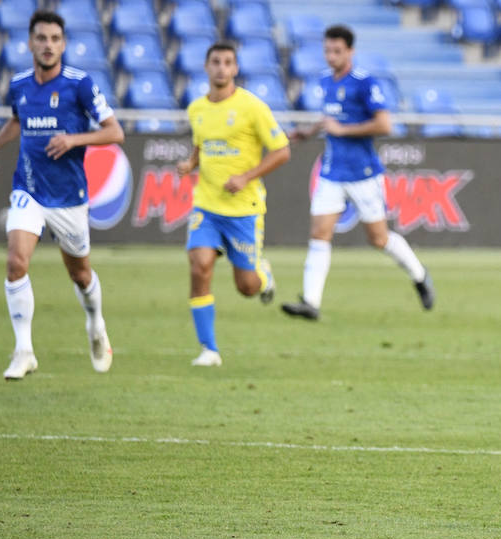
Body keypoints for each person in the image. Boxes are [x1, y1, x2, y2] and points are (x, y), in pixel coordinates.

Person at [0, 11, 124, 380]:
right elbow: (18, 119)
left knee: (80, 273)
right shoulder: (20, 84)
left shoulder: (79, 84)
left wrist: (75, 139)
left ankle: (96, 325)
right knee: (16, 262)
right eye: (41, 38)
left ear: (64, 44)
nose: (48, 45)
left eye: (55, 39)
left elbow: (115, 132)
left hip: (69, 197)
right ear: (30, 43)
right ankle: (23, 350)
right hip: (28, 189)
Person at [280, 24, 433, 321]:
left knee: (378, 239)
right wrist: (308, 132)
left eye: (337, 51)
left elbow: (384, 125)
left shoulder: (365, 83)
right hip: (331, 171)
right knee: (319, 234)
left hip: (363, 173)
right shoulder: (325, 81)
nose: (331, 56)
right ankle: (311, 302)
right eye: (327, 50)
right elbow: (330, 120)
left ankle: (419, 274)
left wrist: (344, 130)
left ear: (350, 51)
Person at [176, 42, 290, 366]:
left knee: (247, 286)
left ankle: (264, 276)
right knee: (199, 267)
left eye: (228, 62)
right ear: (206, 66)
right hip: (207, 206)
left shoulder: (252, 107)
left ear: (236, 68)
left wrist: (246, 176)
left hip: (243, 210)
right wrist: (191, 163)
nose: (221, 68)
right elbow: (202, 144)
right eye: (216, 62)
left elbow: (282, 151)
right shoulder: (196, 108)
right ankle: (209, 350)